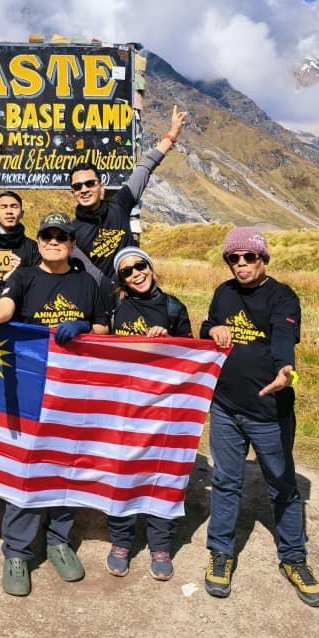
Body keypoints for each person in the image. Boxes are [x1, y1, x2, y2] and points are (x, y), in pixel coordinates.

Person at [0, 211, 108, 597]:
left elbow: (105, 329)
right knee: (26, 467)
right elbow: (7, 305)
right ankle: (17, 551)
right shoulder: (24, 275)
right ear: (38, 241)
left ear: (73, 244)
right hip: (30, 388)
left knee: (66, 465)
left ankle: (59, 539)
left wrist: (85, 328)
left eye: (62, 236)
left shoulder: (89, 283)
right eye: (47, 236)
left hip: (75, 392)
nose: (54, 241)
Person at [201, 228, 319, 607]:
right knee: (225, 481)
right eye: (233, 258)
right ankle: (221, 554)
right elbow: (208, 327)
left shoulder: (282, 296)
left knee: (282, 484)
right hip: (224, 408)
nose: (240, 264)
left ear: (263, 259)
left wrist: (285, 369)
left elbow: (284, 339)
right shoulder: (223, 293)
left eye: (248, 257)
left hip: (269, 412)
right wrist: (212, 328)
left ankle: (293, 558)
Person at [106, 246, 192, 582]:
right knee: (122, 472)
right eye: (126, 271)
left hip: (164, 408)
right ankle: (121, 542)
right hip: (124, 407)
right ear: (121, 280)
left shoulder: (173, 307)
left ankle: (160, 544)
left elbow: (190, 358)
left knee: (161, 473)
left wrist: (168, 341)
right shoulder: (115, 309)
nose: (136, 274)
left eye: (140, 266)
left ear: (151, 267)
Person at [69, 105, 187, 281]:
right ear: (73, 192)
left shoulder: (119, 204)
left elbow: (145, 167)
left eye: (89, 183)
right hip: (104, 300)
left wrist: (172, 134)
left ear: (101, 185)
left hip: (137, 287)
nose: (84, 190)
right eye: (78, 187)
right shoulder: (73, 231)